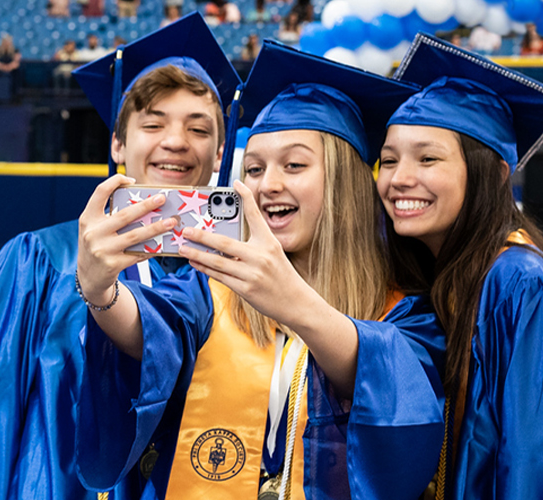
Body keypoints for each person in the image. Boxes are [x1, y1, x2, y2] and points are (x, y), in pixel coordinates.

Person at [72, 41, 442, 500]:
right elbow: (150, 328)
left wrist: (296, 303)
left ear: (345, 182)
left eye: (294, 165)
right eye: (253, 168)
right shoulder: (213, 290)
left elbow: (404, 417)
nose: (268, 185)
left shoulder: (405, 310)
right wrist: (100, 288)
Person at [0, 13, 243, 500]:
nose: (176, 141)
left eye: (199, 130)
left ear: (219, 155)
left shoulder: (239, 277)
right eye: (153, 123)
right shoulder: (39, 262)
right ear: (117, 142)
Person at [382, 34, 543, 499]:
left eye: (428, 158)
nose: (400, 178)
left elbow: (542, 467)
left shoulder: (524, 289)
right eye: (388, 161)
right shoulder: (451, 279)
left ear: (496, 172)